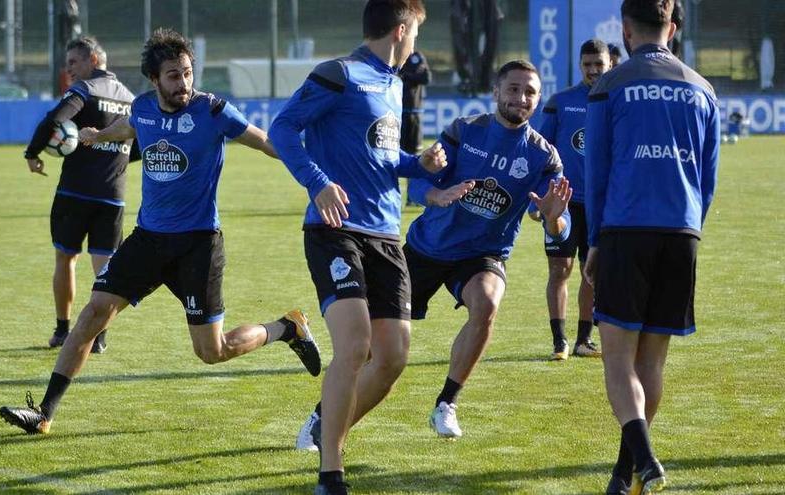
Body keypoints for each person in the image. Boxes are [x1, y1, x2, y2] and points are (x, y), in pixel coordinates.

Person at [0, 28, 322, 434]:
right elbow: (129, 126)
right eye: (173, 75)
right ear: (154, 79)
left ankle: (287, 328)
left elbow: (264, 142)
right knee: (94, 312)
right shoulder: (144, 108)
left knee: (212, 351)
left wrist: (314, 176)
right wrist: (99, 134)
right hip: (148, 239)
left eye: (187, 73)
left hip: (198, 244)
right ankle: (44, 413)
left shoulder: (213, 111)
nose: (184, 83)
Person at [294, 59, 571, 445]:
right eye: (513, 89)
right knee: (373, 352)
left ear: (538, 101)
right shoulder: (464, 132)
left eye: (529, 92)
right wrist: (436, 194)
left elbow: (558, 223)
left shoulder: (544, 156)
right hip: (427, 248)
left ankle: (446, 404)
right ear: (496, 92)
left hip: (482, 255)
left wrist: (554, 219)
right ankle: (321, 417)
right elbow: (417, 185)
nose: (520, 98)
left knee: (487, 304)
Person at [269, 1, 447, 493]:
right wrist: (317, 183)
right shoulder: (338, 74)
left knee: (392, 358)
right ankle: (331, 472)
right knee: (355, 345)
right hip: (335, 229)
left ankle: (328, 426)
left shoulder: (395, 83)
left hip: (387, 236)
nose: (416, 44)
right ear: (401, 29)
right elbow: (284, 128)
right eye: (415, 34)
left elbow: (383, 158)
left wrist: (420, 163)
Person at [583, 1, 719, 493]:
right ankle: (625, 473)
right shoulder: (702, 88)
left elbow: (596, 172)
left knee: (618, 362)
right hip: (681, 233)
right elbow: (708, 179)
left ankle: (643, 457)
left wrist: (595, 240)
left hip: (624, 229)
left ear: (625, 29)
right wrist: (689, 226)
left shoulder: (609, 85)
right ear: (672, 27)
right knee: (651, 363)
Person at [23, 36, 135, 354]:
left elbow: (54, 120)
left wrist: (33, 153)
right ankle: (98, 337)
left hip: (75, 193)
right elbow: (135, 147)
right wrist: (112, 154)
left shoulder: (84, 90)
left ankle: (62, 331)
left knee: (66, 258)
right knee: (105, 268)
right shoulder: (130, 99)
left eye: (74, 62)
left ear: (94, 61)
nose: (69, 69)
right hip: (113, 195)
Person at [530, 39, 610, 360]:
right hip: (562, 201)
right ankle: (559, 341)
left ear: (609, 65)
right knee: (559, 269)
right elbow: (538, 148)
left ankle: (583, 340)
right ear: (580, 65)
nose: (592, 71)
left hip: (599, 204)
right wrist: (536, 201)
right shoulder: (561, 102)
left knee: (592, 272)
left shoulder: (616, 101)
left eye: (599, 65)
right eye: (587, 64)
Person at [400, 49, 431, 205]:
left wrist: (407, 75)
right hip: (396, 114)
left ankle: (412, 197)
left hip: (414, 113)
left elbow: (426, 77)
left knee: (414, 156)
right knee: (394, 155)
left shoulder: (417, 57)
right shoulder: (395, 56)